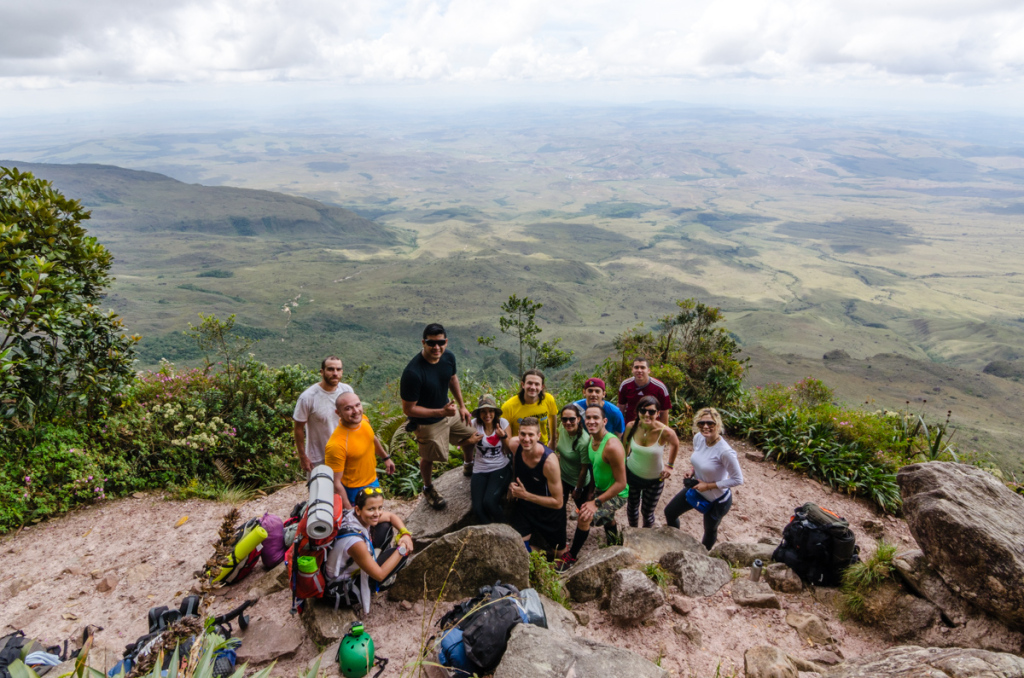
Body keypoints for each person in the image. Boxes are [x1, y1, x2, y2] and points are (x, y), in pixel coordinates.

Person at [400, 323, 475, 510]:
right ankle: (428, 488)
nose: (436, 347)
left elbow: (452, 378)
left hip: (449, 411)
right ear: (423, 342)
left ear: (446, 342)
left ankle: (468, 465)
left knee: (471, 435)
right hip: (427, 422)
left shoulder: (448, 357)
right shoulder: (413, 372)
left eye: (440, 343)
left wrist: (462, 406)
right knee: (429, 457)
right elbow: (409, 409)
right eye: (431, 343)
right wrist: (442, 412)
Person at [555, 405, 627, 571]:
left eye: (596, 418)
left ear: (604, 421)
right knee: (607, 518)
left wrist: (596, 502)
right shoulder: (592, 440)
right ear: (583, 420)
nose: (591, 421)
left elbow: (621, 483)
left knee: (584, 517)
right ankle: (615, 543)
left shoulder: (612, 446)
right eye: (588, 417)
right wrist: (591, 491)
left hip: (618, 493)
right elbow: (593, 469)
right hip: (601, 489)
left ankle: (571, 556)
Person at [324, 487, 414, 615]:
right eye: (371, 509)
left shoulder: (351, 516)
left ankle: (371, 561)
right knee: (401, 556)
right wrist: (403, 548)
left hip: (346, 567)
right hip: (339, 589)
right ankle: (376, 582)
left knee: (385, 527)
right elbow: (380, 575)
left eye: (380, 507)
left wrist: (405, 534)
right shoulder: (354, 542)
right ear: (358, 510)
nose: (377, 513)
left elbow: (391, 517)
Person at [663, 407, 743, 550]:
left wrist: (708, 485)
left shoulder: (725, 451)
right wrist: (692, 471)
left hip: (717, 499)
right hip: (697, 489)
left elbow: (737, 479)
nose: (705, 426)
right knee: (670, 512)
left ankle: (703, 555)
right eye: (701, 423)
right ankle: (676, 542)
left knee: (710, 529)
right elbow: (702, 459)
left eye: (710, 423)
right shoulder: (699, 438)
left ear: (717, 424)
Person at [325, 392, 397, 510]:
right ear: (338, 413)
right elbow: (335, 483)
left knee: (375, 516)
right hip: (354, 490)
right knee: (361, 524)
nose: (356, 411)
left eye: (357, 405)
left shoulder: (363, 421)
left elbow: (371, 438)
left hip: (373, 481)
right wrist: (348, 509)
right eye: (348, 408)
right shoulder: (336, 444)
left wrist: (386, 458)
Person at [507, 417, 564, 554]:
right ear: (518, 434)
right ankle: (540, 555)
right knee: (520, 549)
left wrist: (525, 495)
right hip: (525, 507)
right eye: (523, 434)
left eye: (531, 434)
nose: (526, 439)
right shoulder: (515, 445)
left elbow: (558, 502)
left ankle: (547, 554)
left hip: (548, 510)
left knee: (560, 554)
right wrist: (512, 483)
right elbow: (515, 464)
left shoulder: (549, 462)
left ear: (538, 436)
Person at [623, 395, 680, 528]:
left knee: (647, 512)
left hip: (655, 479)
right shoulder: (632, 426)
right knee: (632, 508)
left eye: (651, 412)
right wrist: (625, 461)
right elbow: (626, 444)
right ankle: (633, 533)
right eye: (643, 411)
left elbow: (675, 444)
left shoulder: (664, 432)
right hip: (632, 474)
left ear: (658, 413)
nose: (647, 415)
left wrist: (670, 465)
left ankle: (646, 537)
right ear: (638, 412)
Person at [293, 356, 354, 473]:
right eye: (330, 369)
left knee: (344, 491)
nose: (335, 373)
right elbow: (298, 428)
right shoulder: (308, 397)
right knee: (320, 490)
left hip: (345, 454)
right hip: (319, 457)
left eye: (338, 369)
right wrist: (303, 457)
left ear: (342, 372)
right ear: (322, 372)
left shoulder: (347, 391)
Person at [466, 394, 512, 524]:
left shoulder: (503, 423)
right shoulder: (474, 424)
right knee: (478, 509)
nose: (487, 415)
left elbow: (510, 449)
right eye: (483, 411)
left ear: (495, 412)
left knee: (490, 502)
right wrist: (470, 440)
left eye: (491, 411)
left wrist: (503, 437)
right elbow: (461, 442)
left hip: (500, 467)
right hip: (480, 469)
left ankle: (506, 531)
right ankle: (491, 534)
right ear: (479, 413)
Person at [501, 370, 559, 452]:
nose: (533, 387)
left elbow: (552, 418)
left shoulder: (548, 400)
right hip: (520, 450)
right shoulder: (509, 406)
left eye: (537, 384)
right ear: (523, 384)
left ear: (542, 387)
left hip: (542, 448)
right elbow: (508, 437)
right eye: (529, 383)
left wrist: (553, 440)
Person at [554, 403, 590, 523]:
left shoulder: (584, 441)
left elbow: (584, 468)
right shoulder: (562, 427)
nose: (567, 422)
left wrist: (578, 488)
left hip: (578, 481)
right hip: (563, 477)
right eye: (564, 419)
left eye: (572, 419)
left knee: (584, 511)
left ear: (579, 419)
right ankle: (560, 537)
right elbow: (558, 444)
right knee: (559, 509)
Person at [618, 357, 672, 425]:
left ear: (648, 370)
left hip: (652, 427)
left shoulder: (660, 387)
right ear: (632, 370)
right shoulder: (625, 385)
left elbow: (664, 411)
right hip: (631, 426)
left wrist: (663, 432)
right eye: (636, 367)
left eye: (642, 368)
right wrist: (620, 429)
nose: (639, 370)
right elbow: (620, 407)